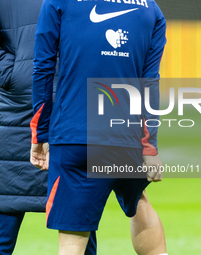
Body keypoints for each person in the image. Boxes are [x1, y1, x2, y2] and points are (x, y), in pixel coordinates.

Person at [30, 0, 168, 254]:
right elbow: (150, 82)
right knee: (139, 202)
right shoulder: (150, 8)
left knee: (73, 237)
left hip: (75, 134)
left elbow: (42, 68)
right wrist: (149, 147)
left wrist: (39, 134)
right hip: (125, 137)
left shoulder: (58, 2)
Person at [0, 0, 98, 254]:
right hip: (19, 113)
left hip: (77, 106)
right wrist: (23, 77)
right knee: (5, 213)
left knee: (80, 220)